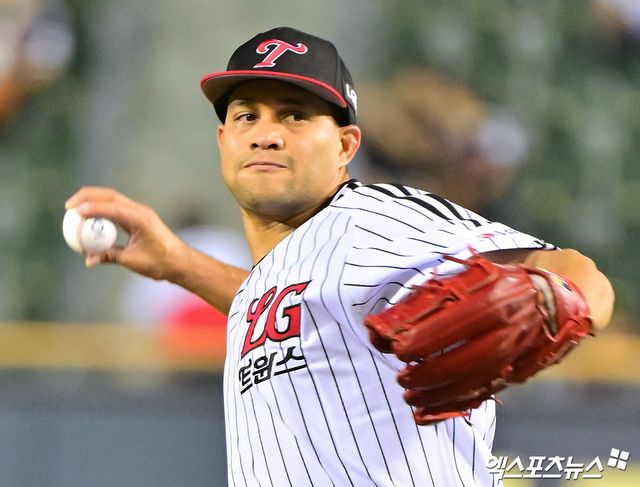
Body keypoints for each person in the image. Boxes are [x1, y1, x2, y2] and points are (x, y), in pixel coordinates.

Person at [65, 27, 614, 486]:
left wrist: (554, 296)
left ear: (346, 145)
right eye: (246, 116)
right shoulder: (288, 268)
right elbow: (294, 308)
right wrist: (178, 264)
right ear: (222, 141)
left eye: (294, 116)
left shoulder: (372, 217)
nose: (265, 135)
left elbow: (572, 270)